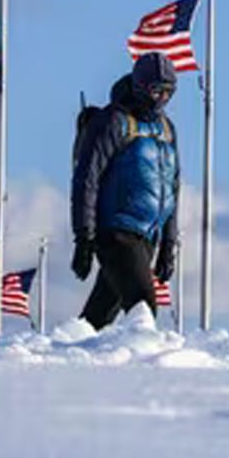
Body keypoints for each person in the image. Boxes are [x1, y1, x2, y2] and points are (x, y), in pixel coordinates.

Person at [72, 52, 180, 330]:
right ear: (140, 86)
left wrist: (168, 245)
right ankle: (145, 372)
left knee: (98, 320)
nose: (161, 99)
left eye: (168, 92)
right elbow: (87, 178)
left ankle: (69, 356)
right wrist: (84, 237)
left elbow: (172, 188)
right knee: (143, 307)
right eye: (156, 90)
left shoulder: (167, 129)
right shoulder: (113, 122)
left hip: (147, 236)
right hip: (115, 233)